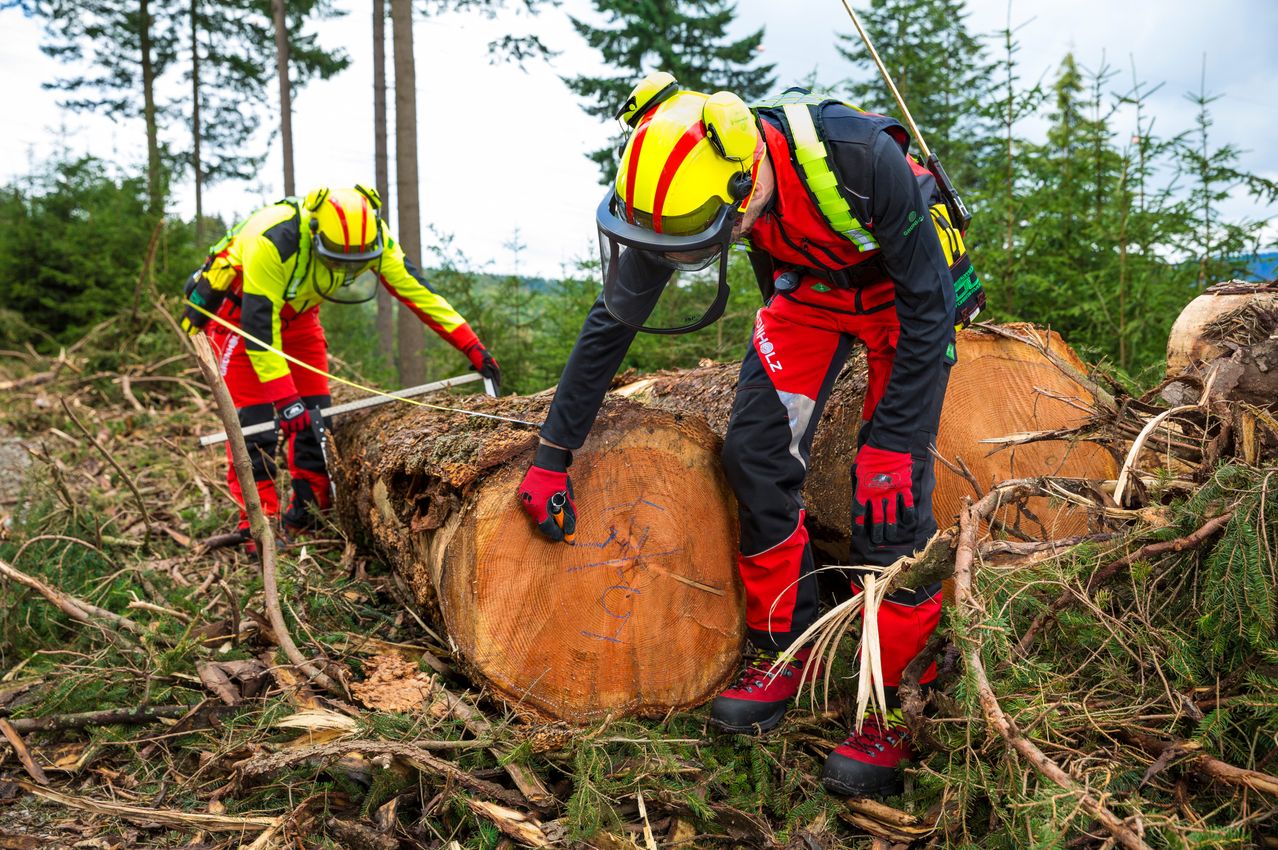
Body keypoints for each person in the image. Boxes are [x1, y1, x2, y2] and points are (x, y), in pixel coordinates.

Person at [518, 73, 982, 797]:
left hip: (907, 300)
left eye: (707, 234)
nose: (681, 251)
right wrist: (553, 454)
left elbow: (930, 308)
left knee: (887, 495)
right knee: (754, 455)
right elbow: (613, 321)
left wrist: (893, 444)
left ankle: (892, 700)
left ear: (748, 181)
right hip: (810, 293)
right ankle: (781, 645)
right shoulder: (679, 188)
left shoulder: (858, 159)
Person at [180, 185, 500, 546]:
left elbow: (418, 291)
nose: (345, 271)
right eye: (336, 261)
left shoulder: (373, 238)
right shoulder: (274, 239)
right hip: (242, 317)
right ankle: (258, 527)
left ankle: (308, 515)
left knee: (317, 421)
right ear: (315, 235)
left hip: (300, 318)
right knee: (256, 428)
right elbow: (258, 329)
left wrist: (471, 345)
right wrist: (285, 398)